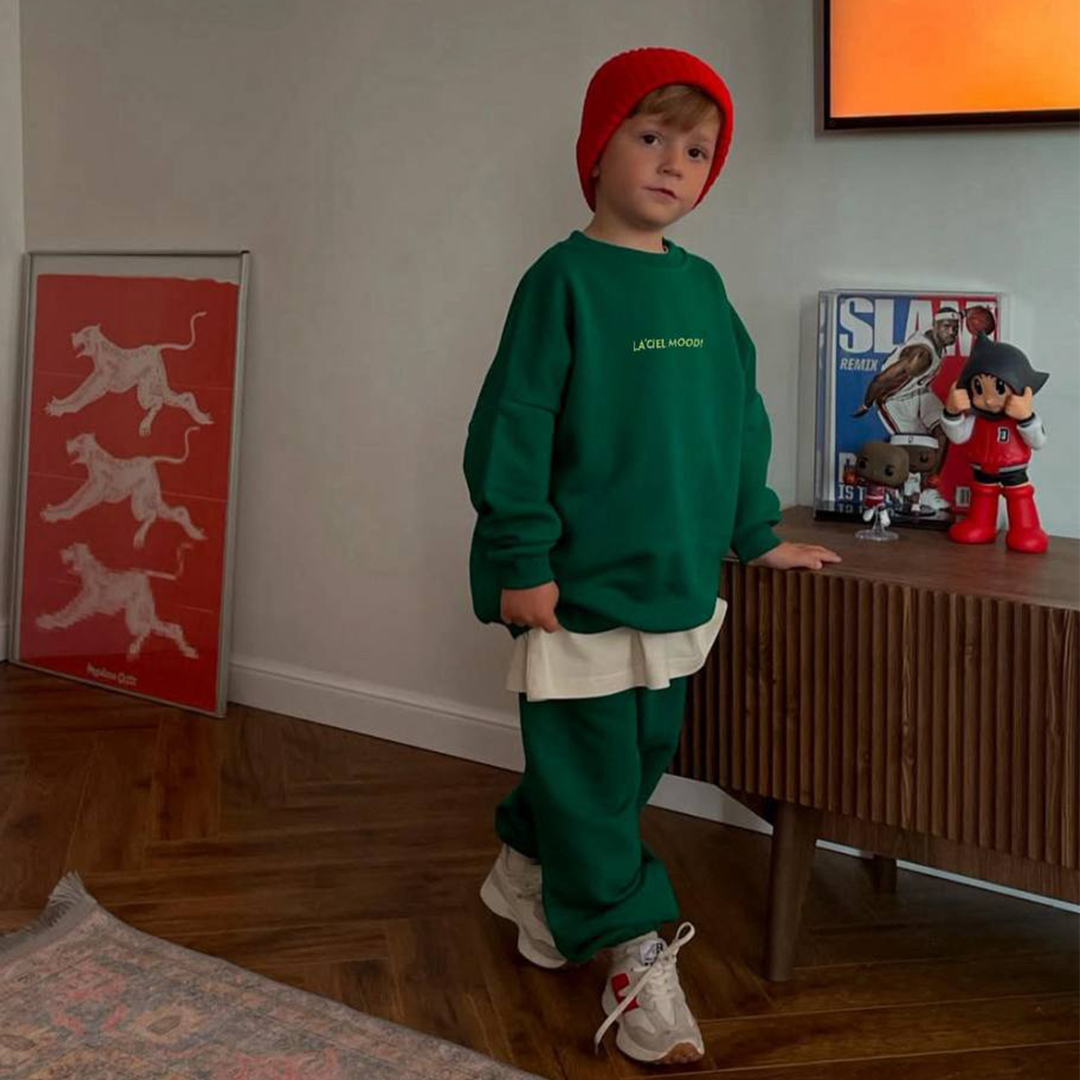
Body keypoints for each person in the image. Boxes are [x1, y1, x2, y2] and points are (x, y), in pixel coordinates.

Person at [462, 47, 841, 1067]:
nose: (675, 163)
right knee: (595, 781)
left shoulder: (703, 288)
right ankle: (632, 950)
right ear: (598, 150)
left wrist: (757, 533)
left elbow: (739, 421)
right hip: (576, 589)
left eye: (698, 150)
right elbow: (513, 426)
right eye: (651, 136)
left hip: (674, 583)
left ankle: (525, 869)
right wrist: (520, 558)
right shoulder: (562, 282)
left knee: (627, 767)